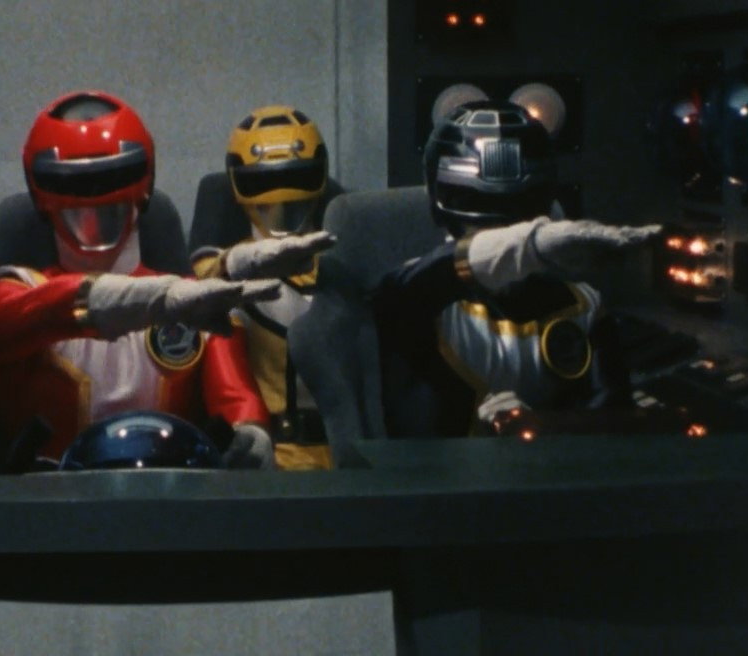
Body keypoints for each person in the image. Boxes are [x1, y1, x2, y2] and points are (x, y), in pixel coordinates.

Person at [0, 91, 279, 469]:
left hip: (173, 494)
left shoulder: (192, 300)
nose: (93, 213)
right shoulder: (19, 291)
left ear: (143, 187)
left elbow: (236, 397)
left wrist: (250, 435)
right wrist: (131, 300)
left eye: (110, 182)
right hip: (50, 498)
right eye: (77, 188)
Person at [374, 101, 660, 437]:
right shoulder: (411, 295)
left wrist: (541, 428)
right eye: (481, 213)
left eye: (514, 215)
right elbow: (412, 287)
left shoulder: (582, 306)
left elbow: (612, 424)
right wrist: (530, 244)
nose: (501, 232)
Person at [190, 105, 336, 469]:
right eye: (262, 184)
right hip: (267, 456)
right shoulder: (223, 272)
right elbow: (199, 286)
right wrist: (236, 265)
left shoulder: (350, 262)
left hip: (348, 454)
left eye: (297, 178)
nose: (281, 201)